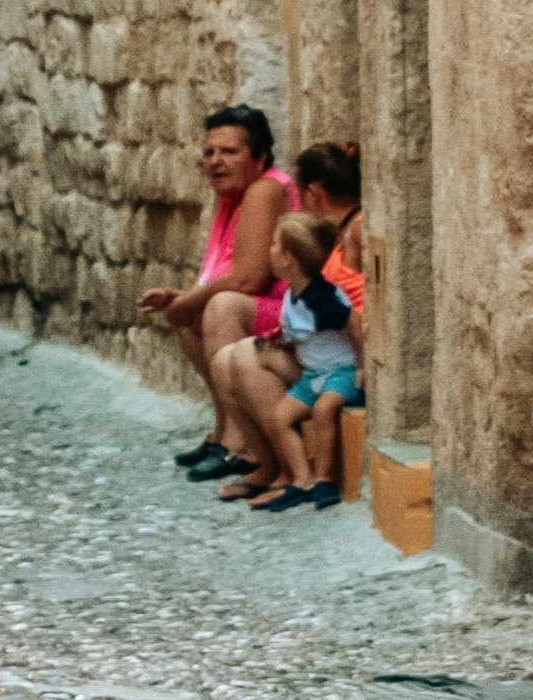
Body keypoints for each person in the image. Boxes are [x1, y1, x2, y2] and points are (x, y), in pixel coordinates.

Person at [141, 106, 298, 480]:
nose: (216, 161)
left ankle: (241, 444)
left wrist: (188, 300)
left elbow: (248, 282)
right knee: (196, 309)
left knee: (221, 306)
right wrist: (180, 298)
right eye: (209, 152)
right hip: (266, 309)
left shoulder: (264, 190)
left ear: (259, 158)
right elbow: (227, 276)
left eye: (229, 152)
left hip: (295, 318)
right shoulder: (232, 198)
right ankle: (225, 428)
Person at [217, 145, 369, 512]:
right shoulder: (326, 241)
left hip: (338, 362)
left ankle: (298, 476)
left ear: (313, 193)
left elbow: (354, 312)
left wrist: (363, 361)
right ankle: (271, 466)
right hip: (314, 352)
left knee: (240, 357)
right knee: (228, 359)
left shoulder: (354, 233)